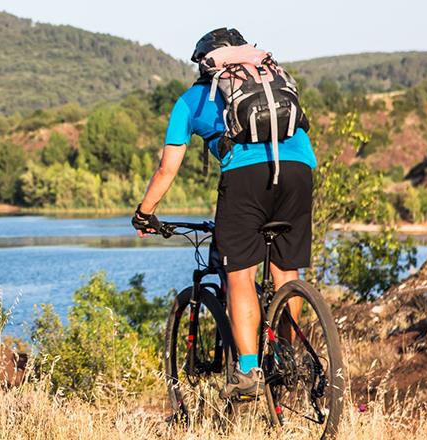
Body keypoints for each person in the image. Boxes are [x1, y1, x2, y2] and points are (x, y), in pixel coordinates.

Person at [132, 28, 316, 399]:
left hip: (245, 177)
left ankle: (248, 372)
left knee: (239, 276)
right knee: (286, 270)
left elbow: (167, 170)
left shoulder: (190, 101)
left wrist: (144, 213)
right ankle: (287, 355)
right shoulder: (270, 81)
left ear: (204, 65)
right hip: (300, 170)